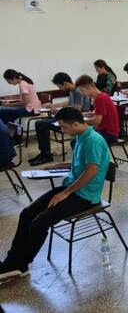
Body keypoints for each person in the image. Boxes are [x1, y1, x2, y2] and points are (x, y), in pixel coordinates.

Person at [0, 107, 109, 283]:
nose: (62, 130)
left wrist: (65, 193)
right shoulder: (80, 136)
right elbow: (81, 164)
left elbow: (91, 171)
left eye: (64, 127)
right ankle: (11, 261)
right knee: (27, 214)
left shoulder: (93, 140)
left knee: (39, 223)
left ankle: (22, 265)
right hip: (72, 188)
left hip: (85, 196)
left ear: (75, 124)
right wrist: (58, 166)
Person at [29, 73, 92, 166]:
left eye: (59, 86)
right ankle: (44, 153)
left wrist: (58, 112)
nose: (59, 89)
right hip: (69, 118)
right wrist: (53, 106)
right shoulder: (72, 91)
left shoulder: (78, 91)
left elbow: (76, 111)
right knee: (41, 123)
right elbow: (69, 103)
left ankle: (46, 154)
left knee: (40, 124)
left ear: (65, 83)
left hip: (75, 121)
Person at [75, 75, 121, 144]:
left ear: (89, 87)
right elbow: (101, 114)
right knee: (77, 139)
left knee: (79, 141)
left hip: (109, 133)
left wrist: (80, 122)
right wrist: (91, 114)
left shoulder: (100, 99)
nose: (82, 93)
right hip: (104, 130)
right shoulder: (100, 96)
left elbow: (97, 121)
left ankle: (91, 155)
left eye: (82, 90)